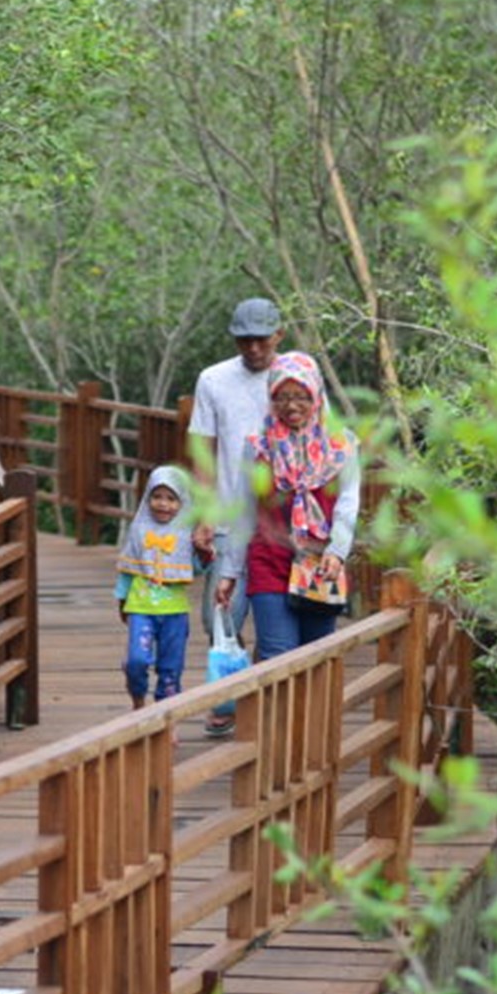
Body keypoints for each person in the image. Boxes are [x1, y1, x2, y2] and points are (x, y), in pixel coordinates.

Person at [210, 352, 359, 731]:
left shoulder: (342, 445)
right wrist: (229, 572)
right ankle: (276, 752)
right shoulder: (258, 445)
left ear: (316, 396)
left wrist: (338, 553)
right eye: (282, 396)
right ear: (271, 399)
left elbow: (347, 505)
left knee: (316, 659)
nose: (292, 406)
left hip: (320, 565)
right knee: (277, 657)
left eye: (301, 396)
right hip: (268, 561)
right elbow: (244, 512)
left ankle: (310, 749)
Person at [191, 298, 284, 737]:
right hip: (229, 518)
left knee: (275, 618)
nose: (252, 348)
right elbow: (203, 450)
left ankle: (246, 700)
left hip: (279, 524)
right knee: (218, 618)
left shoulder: (296, 376)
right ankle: (238, 686)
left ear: (278, 335)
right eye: (244, 339)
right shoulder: (213, 379)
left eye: (261, 339)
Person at [114, 466, 209, 709]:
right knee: (137, 660)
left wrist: (203, 552)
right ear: (148, 497)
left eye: (171, 498)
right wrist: (122, 601)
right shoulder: (139, 529)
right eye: (157, 497)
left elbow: (197, 569)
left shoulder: (186, 533)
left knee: (170, 668)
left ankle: (167, 719)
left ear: (182, 502)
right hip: (141, 607)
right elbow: (128, 569)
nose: (163, 504)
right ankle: (137, 698)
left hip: (174, 611)